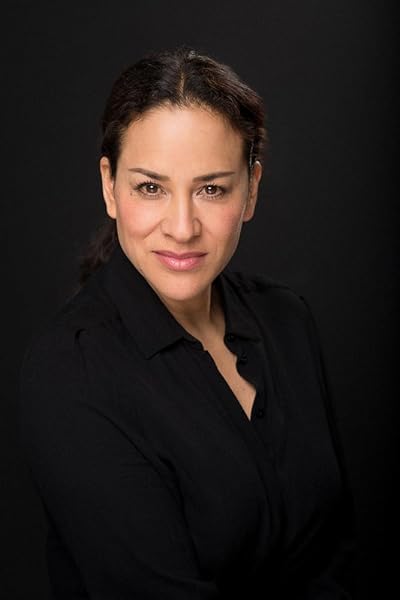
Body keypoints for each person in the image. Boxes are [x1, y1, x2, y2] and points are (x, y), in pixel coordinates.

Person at [18, 45, 356, 599]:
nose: (182, 227)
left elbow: (332, 555)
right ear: (109, 187)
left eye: (211, 189)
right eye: (150, 187)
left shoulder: (287, 321)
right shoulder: (69, 372)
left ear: (251, 189)